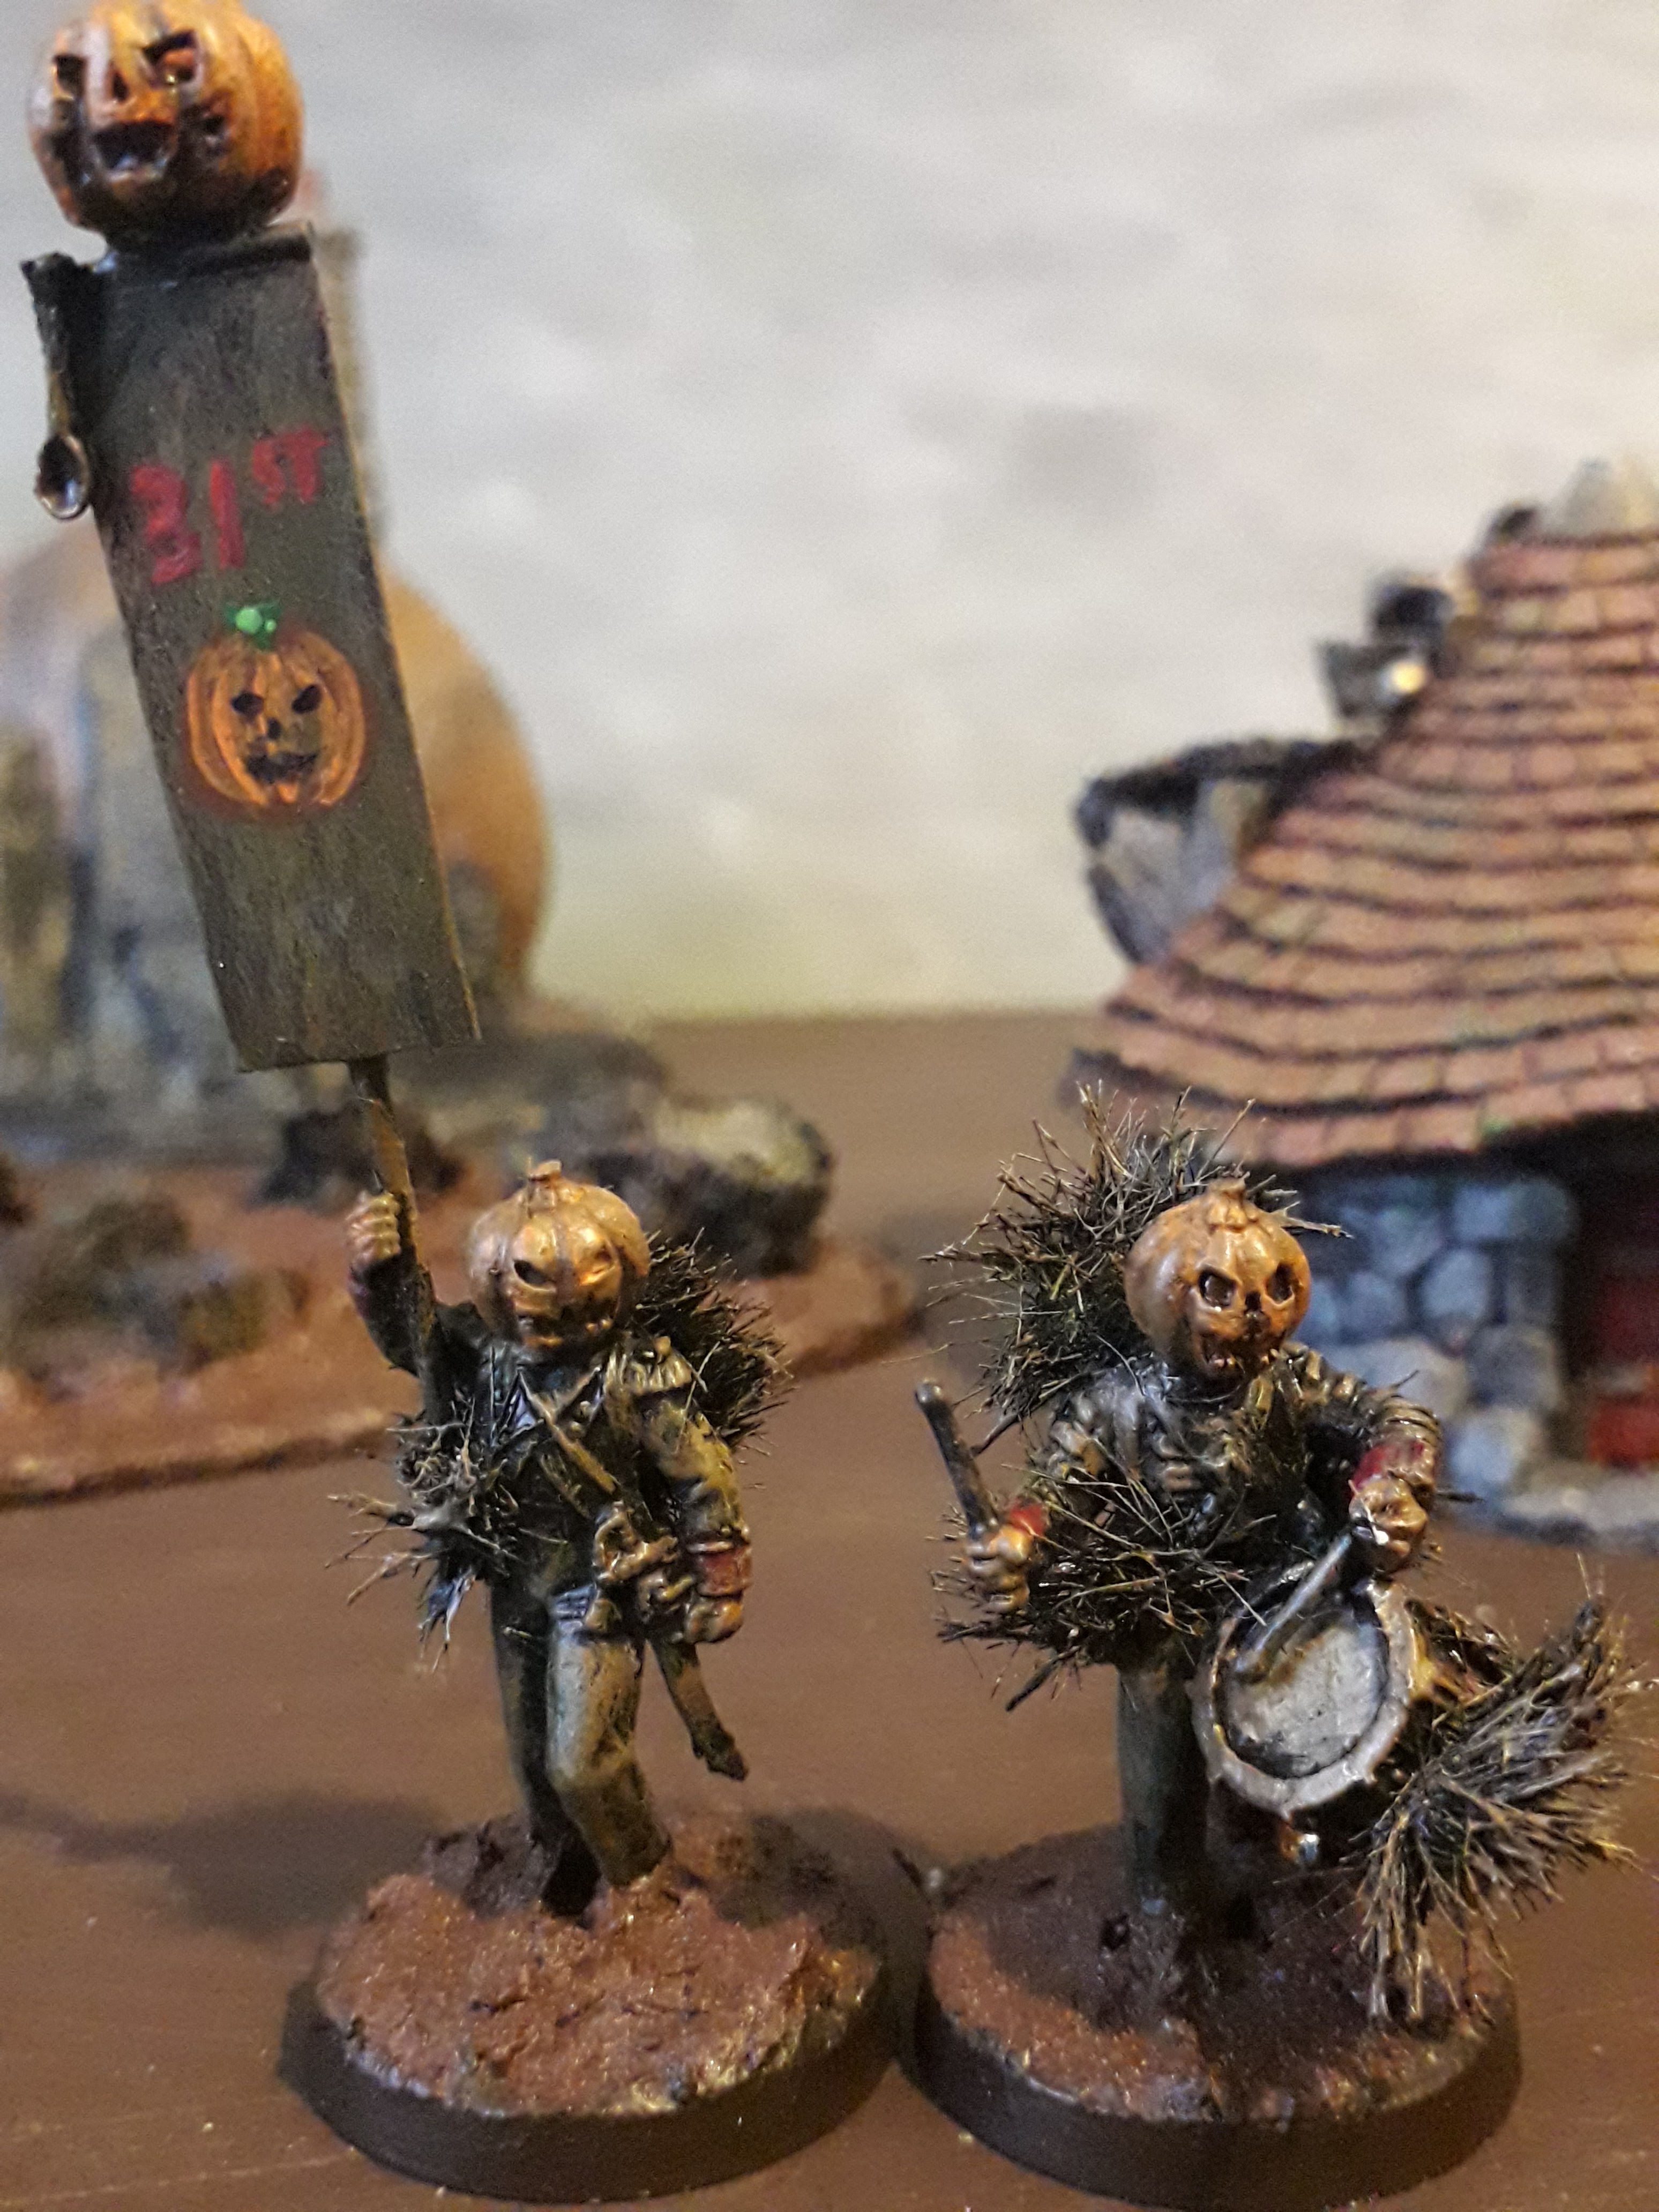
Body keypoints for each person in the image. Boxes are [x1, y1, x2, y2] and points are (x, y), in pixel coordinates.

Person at [346, 1162, 752, 1911]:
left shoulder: (639, 1377)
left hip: (600, 1590)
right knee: (534, 1763)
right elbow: (415, 1342)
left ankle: (642, 1874)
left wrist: (718, 1583)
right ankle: (565, 1865)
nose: (570, 1331)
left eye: (589, 1310)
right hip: (518, 1580)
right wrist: (380, 1274)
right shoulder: (488, 1360)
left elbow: (702, 1477)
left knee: (584, 1765)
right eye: (545, 1317)